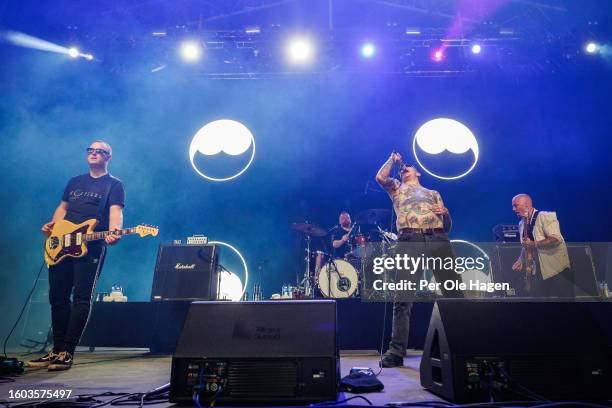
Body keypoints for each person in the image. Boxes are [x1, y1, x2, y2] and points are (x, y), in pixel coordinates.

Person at [28, 140, 125, 371]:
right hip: (61, 245)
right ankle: (55, 349)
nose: (93, 153)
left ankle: (67, 352)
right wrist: (53, 227)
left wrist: (114, 232)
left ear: (108, 157)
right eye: (90, 150)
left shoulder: (113, 185)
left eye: (98, 151)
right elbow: (63, 207)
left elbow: (116, 211)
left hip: (90, 246)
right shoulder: (75, 181)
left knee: (81, 298)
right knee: (57, 297)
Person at [375, 152, 461, 368]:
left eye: (409, 167)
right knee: (403, 296)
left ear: (418, 172)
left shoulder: (433, 192)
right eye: (404, 167)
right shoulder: (396, 187)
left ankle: (462, 343)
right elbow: (380, 178)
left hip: (438, 238)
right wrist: (391, 160)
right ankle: (396, 351)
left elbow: (447, 226)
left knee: (454, 291)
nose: (406, 168)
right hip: (409, 238)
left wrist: (447, 212)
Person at [511, 194, 572, 298]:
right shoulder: (521, 223)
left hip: (556, 271)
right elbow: (525, 245)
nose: (513, 209)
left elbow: (556, 239)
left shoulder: (544, 216)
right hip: (538, 272)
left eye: (515, 205)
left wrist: (534, 243)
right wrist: (521, 259)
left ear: (526, 205)